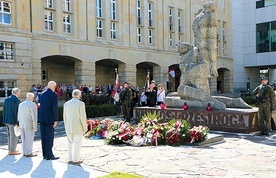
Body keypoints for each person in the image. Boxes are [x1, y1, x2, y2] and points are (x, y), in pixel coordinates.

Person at [63, 89, 87, 165]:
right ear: (79, 95)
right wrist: (85, 127)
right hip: (78, 127)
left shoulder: (66, 104)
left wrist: (66, 126)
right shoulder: (81, 104)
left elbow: (64, 117)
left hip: (69, 126)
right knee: (77, 143)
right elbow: (82, 117)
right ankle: (76, 159)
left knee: (69, 143)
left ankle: (70, 159)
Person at [38, 81, 59, 160]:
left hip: (42, 118)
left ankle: (45, 154)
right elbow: (54, 108)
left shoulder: (41, 94)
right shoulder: (54, 95)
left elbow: (39, 106)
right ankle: (49, 155)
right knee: (49, 137)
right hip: (49, 119)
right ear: (54, 87)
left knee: (43, 137)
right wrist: (55, 119)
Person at [18, 92, 37, 157]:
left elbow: (19, 115)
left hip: (21, 123)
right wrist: (35, 126)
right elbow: (34, 117)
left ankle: (24, 152)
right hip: (29, 124)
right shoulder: (32, 104)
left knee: (23, 139)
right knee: (29, 138)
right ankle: (28, 152)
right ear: (32, 97)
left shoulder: (21, 104)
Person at [2, 88, 21, 155]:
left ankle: (10, 149)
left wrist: (4, 120)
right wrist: (17, 122)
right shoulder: (16, 100)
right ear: (17, 93)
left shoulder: (7, 99)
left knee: (9, 135)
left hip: (7, 120)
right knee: (14, 135)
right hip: (13, 120)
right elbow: (16, 112)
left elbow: (4, 110)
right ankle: (13, 150)